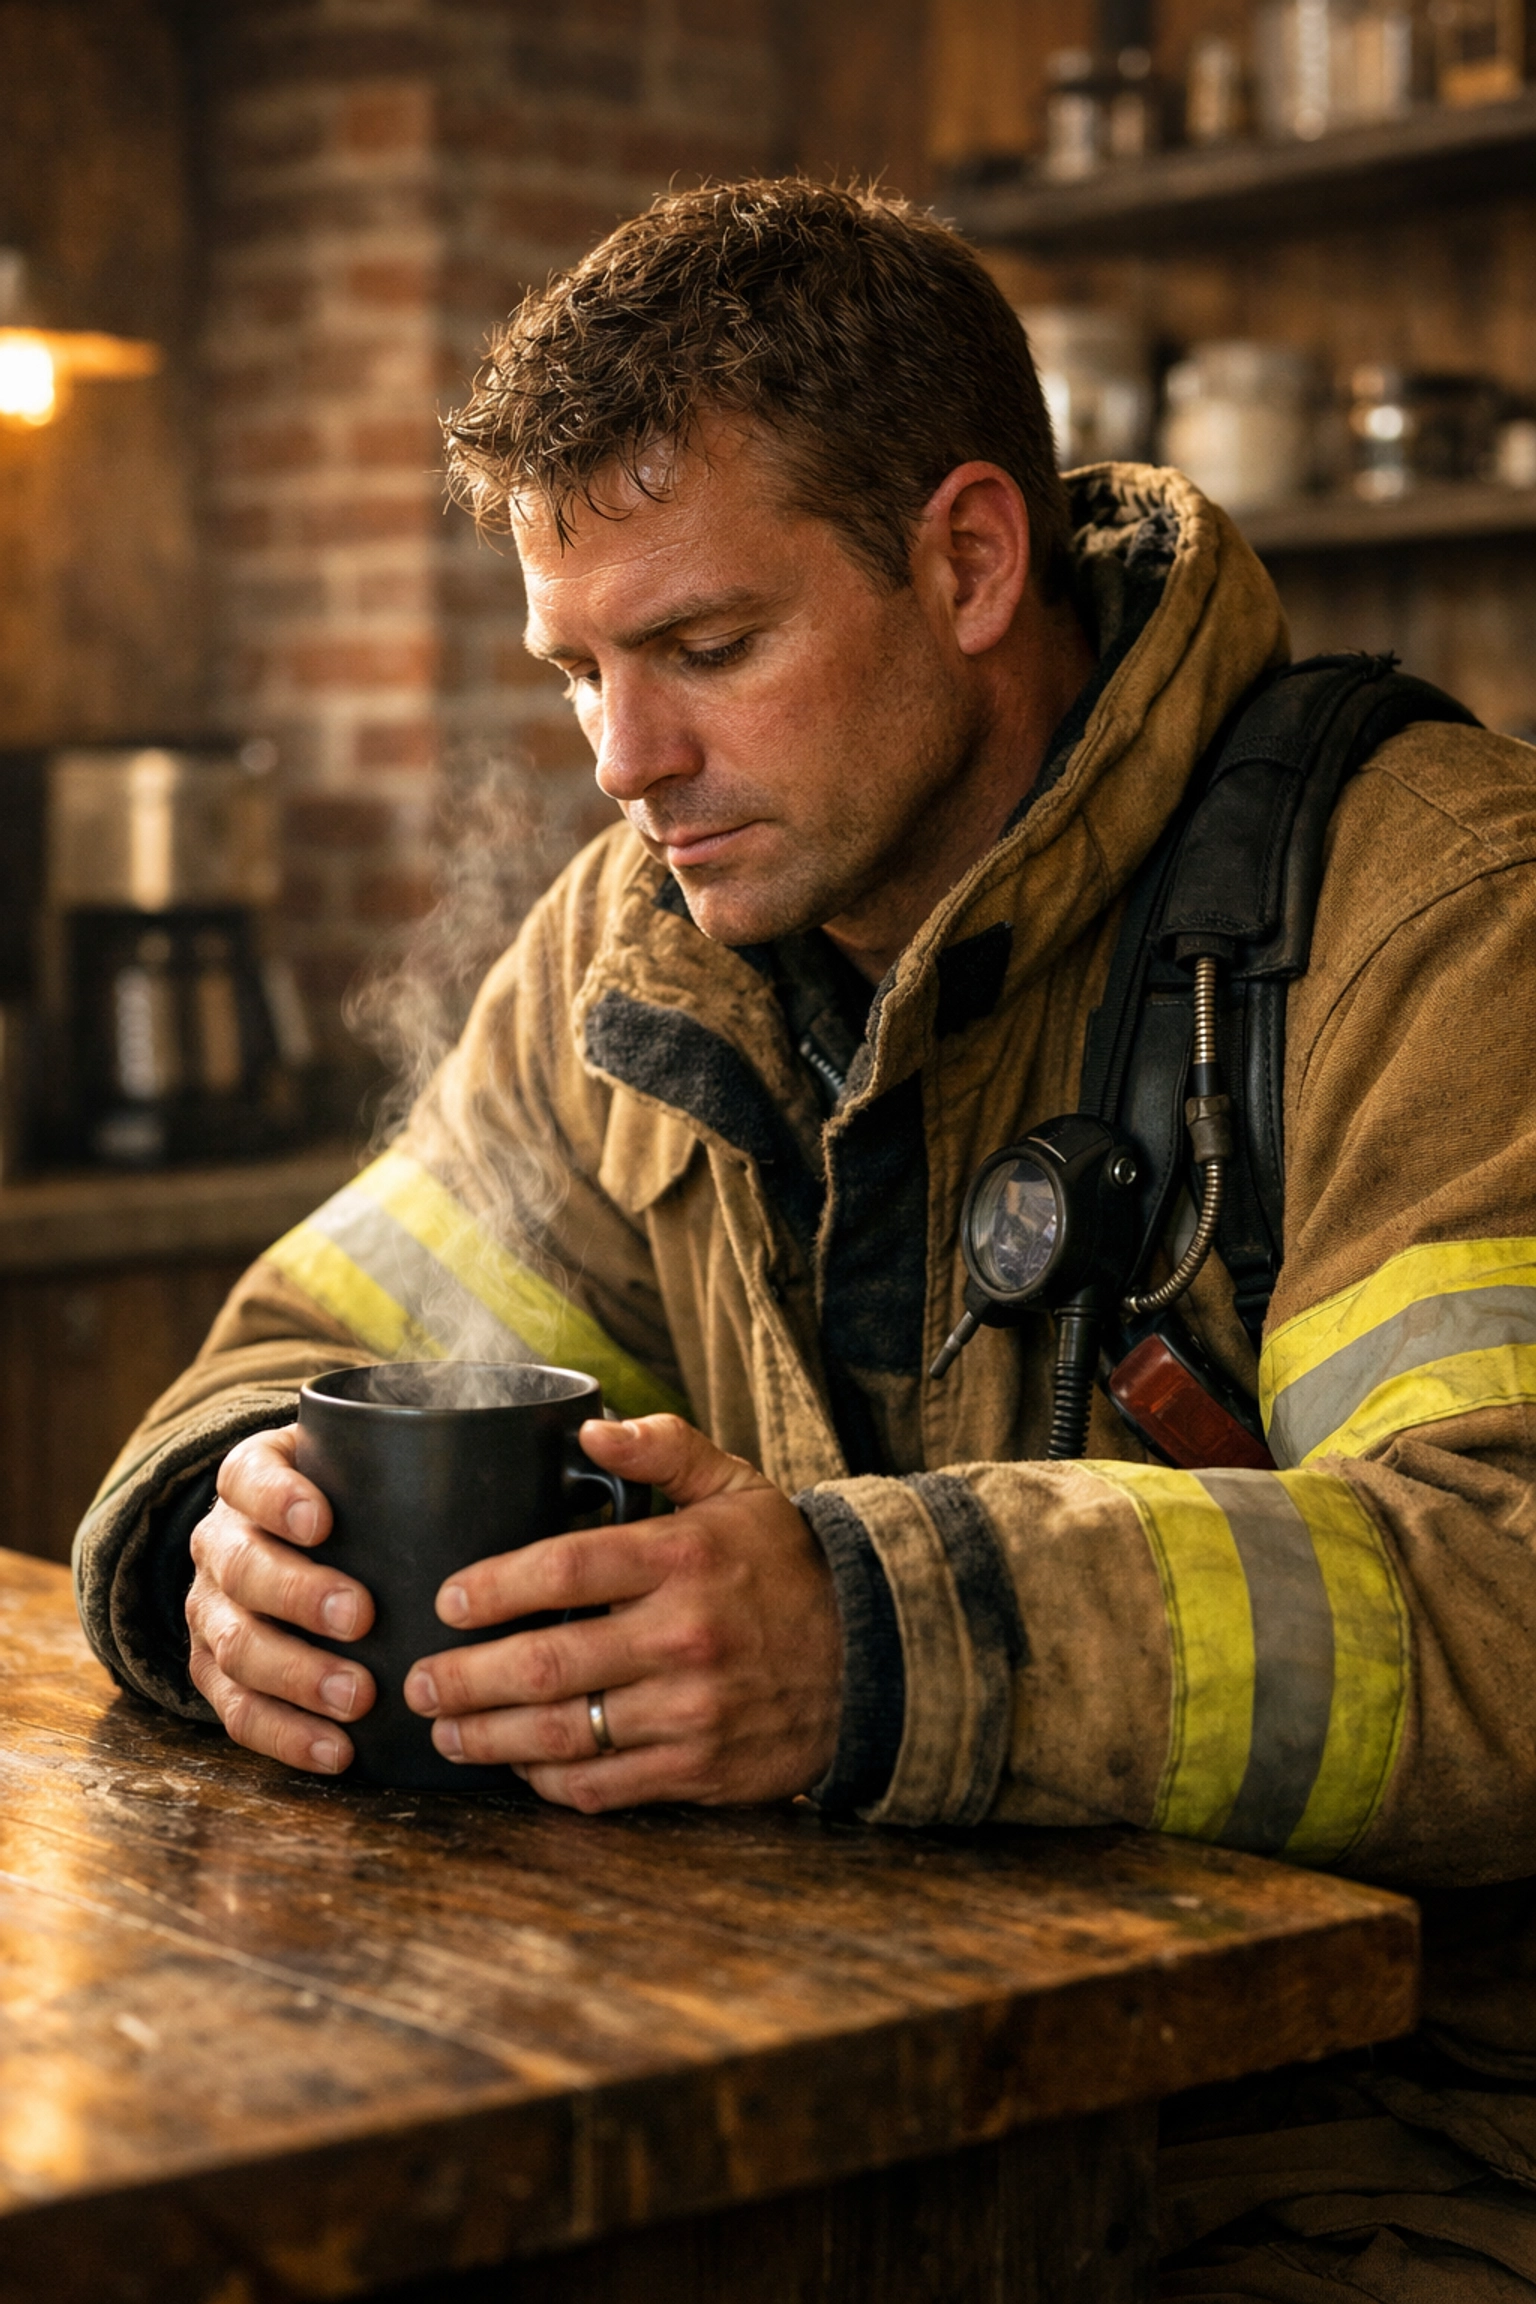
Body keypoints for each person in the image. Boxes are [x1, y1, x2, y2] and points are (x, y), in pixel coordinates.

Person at [74, 182, 1536, 2299]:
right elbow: (311, 1341)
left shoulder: (1437, 911)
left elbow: (1505, 1585)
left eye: (705, 648)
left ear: (966, 561)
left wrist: (864, 1639)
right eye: (576, 669)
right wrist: (220, 1542)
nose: (622, 763)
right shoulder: (643, 946)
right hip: (849, 2102)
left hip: (1378, 2146)